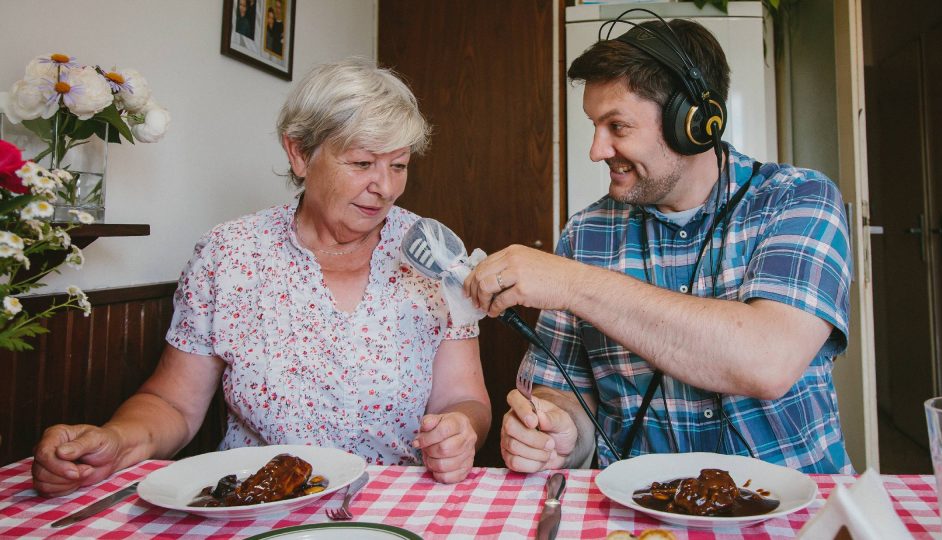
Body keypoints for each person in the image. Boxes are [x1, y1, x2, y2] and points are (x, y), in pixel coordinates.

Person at [32, 58, 492, 497]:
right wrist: (114, 439)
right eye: (362, 163)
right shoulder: (229, 254)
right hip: (257, 504)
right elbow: (173, 404)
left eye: (399, 165)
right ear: (299, 153)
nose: (386, 187)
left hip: (391, 504)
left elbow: (464, 397)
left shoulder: (433, 255)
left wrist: (461, 430)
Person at [465, 17, 853, 474]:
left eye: (617, 126)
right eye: (594, 125)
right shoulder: (584, 234)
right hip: (640, 511)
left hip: (794, 509)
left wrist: (571, 283)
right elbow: (563, 392)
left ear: (691, 123)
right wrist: (558, 432)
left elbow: (766, 361)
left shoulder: (798, 199)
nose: (596, 150)